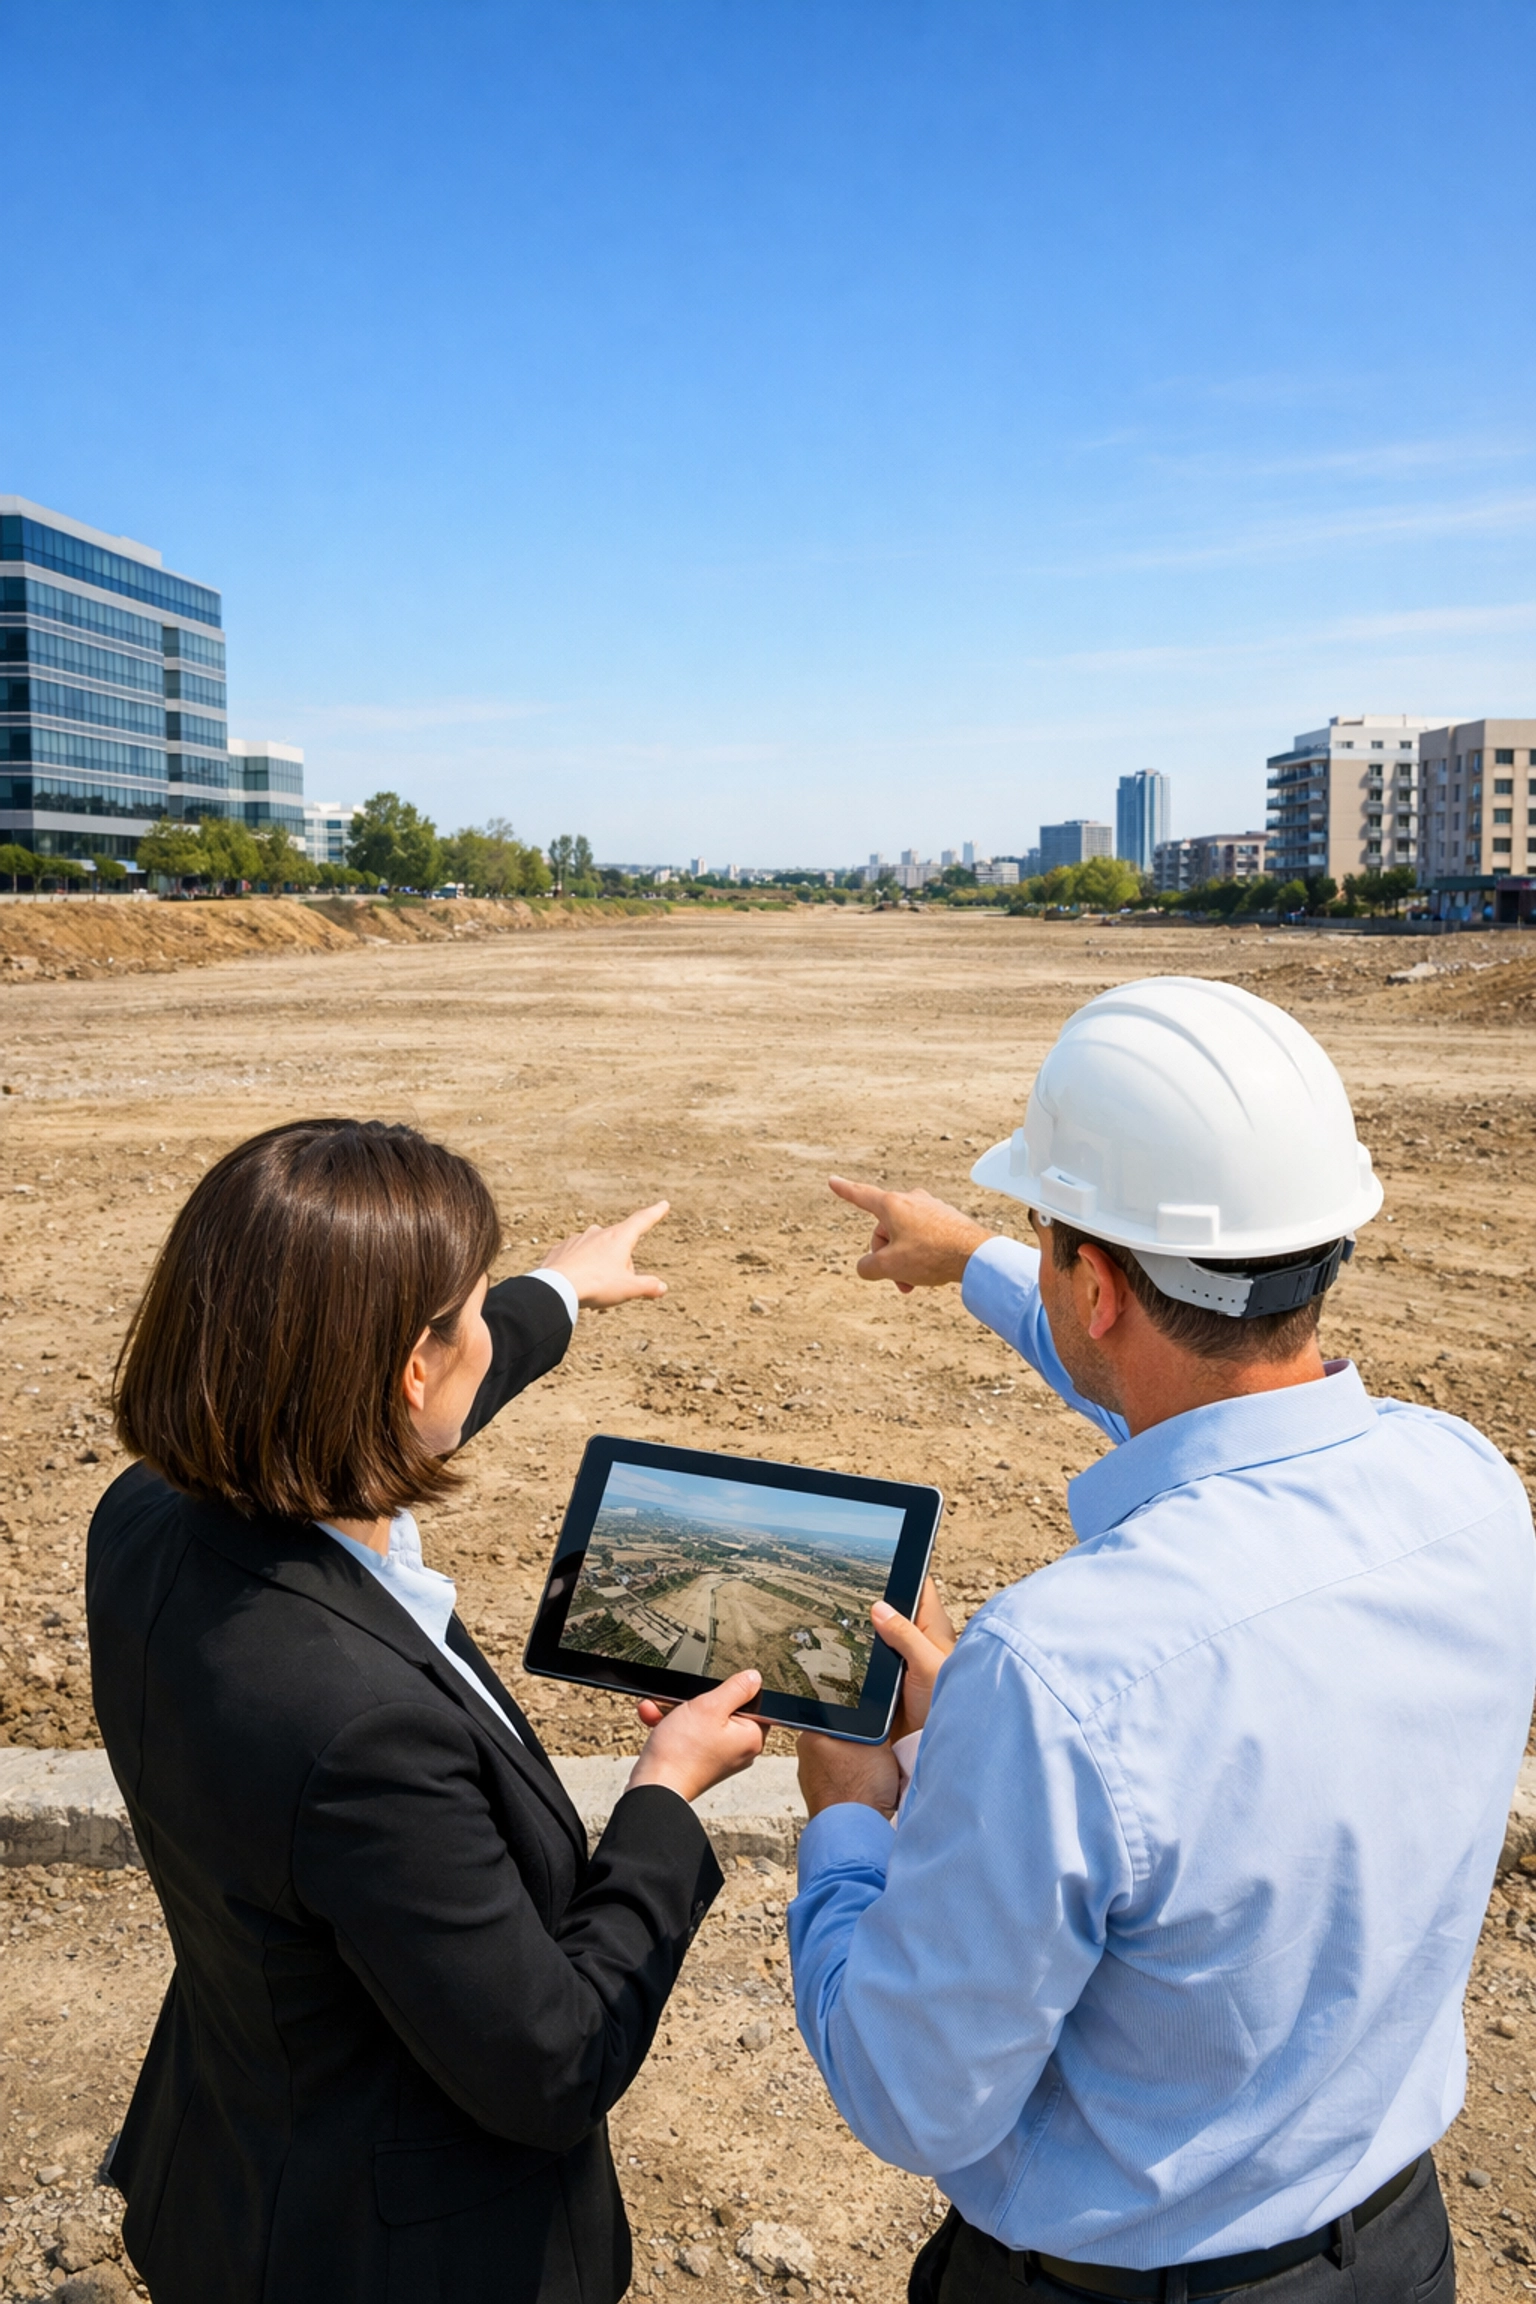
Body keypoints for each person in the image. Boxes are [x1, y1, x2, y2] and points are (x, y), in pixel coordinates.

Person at [789, 976, 1536, 2304]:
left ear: (1098, 1288)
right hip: (1399, 2252)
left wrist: (852, 1817)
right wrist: (977, 1260)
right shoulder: (1470, 1489)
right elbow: (1213, 1426)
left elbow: (911, 2098)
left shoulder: (1052, 1674)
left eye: (1051, 1237)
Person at [88, 1116, 765, 2304]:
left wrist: (557, 1290)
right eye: (473, 1311)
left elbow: (383, 1390)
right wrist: (666, 1792)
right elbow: (551, 2063)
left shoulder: (142, 1518)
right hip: (393, 2258)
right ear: (406, 1368)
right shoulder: (361, 1734)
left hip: (237, 2166)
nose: (483, 1333)